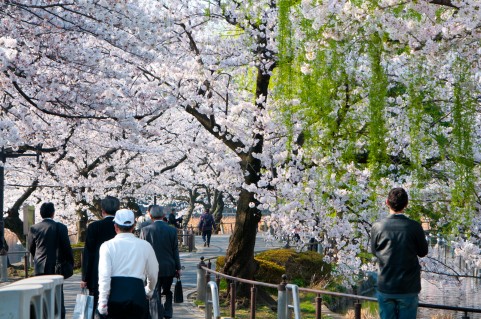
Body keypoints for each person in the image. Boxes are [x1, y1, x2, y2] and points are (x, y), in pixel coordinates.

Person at [370, 188, 429, 319]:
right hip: (408, 286)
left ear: (387, 202)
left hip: (386, 284)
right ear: (406, 204)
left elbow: (375, 251)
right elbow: (423, 252)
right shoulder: (414, 227)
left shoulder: (378, 226)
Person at [97, 209, 158, 319]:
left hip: (115, 294)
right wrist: (149, 290)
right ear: (133, 226)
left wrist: (102, 301)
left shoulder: (107, 246)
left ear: (115, 226)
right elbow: (153, 273)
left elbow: (104, 277)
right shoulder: (145, 246)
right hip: (137, 293)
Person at [28, 202, 74, 319]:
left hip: (40, 267)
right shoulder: (61, 227)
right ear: (53, 213)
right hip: (57, 267)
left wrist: (37, 259)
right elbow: (67, 248)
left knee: (41, 295)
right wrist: (69, 263)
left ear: (41, 214)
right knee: (58, 295)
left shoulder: (34, 228)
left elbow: (31, 248)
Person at [140, 205, 181, 319]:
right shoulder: (172, 230)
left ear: (150, 216)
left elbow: (142, 251)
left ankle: (157, 314)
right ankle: (167, 312)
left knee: (155, 291)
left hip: (151, 268)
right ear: (163, 216)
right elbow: (175, 250)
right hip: (169, 267)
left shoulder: (145, 230)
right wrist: (178, 267)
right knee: (167, 290)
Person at [81, 196, 120, 312]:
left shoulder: (94, 227)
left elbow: (88, 252)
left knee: (97, 307)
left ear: (102, 211)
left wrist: (85, 278)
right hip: (118, 272)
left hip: (96, 273)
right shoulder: (121, 227)